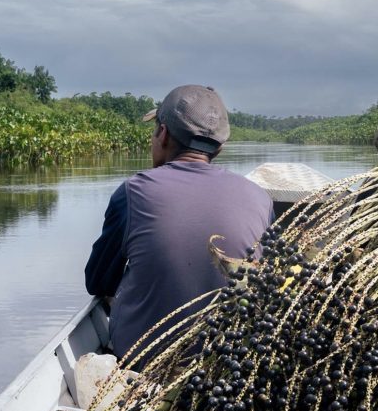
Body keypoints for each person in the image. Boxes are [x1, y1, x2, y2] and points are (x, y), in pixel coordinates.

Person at [85, 84, 273, 360]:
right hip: (228, 366)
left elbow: (99, 282)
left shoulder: (133, 193)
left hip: (142, 366)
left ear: (162, 134)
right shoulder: (260, 198)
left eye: (154, 130)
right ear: (219, 147)